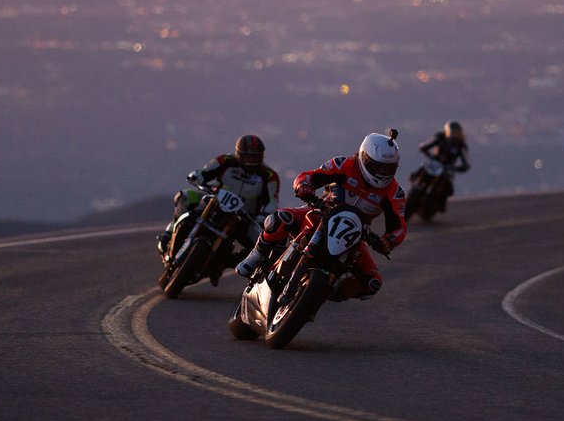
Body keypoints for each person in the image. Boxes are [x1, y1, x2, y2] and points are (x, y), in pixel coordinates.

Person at [236, 129, 407, 301]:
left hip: (354, 235)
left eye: (387, 168)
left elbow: (399, 226)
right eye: (377, 166)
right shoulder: (344, 164)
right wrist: (304, 186)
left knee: (372, 282)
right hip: (321, 213)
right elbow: (308, 176)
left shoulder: (394, 192)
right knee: (278, 219)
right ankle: (256, 255)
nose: (382, 172)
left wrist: (388, 240)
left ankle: (328, 291)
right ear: (364, 158)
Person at [157, 134, 280, 274]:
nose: (251, 161)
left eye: (255, 157)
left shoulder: (270, 176)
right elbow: (205, 171)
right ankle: (168, 234)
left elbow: (273, 201)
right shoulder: (225, 160)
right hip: (214, 201)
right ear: (238, 154)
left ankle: (227, 264)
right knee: (184, 197)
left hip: (244, 218)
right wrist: (197, 176)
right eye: (247, 157)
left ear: (261, 157)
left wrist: (264, 216)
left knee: (264, 245)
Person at [414, 120, 470, 211]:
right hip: (435, 163)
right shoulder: (440, 137)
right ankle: (415, 182)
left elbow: (465, 162)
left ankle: (440, 203)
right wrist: (424, 148)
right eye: (452, 132)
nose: (454, 135)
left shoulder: (461, 145)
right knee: (422, 168)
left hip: (447, 168)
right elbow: (429, 144)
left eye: (456, 132)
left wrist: (458, 168)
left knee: (447, 186)